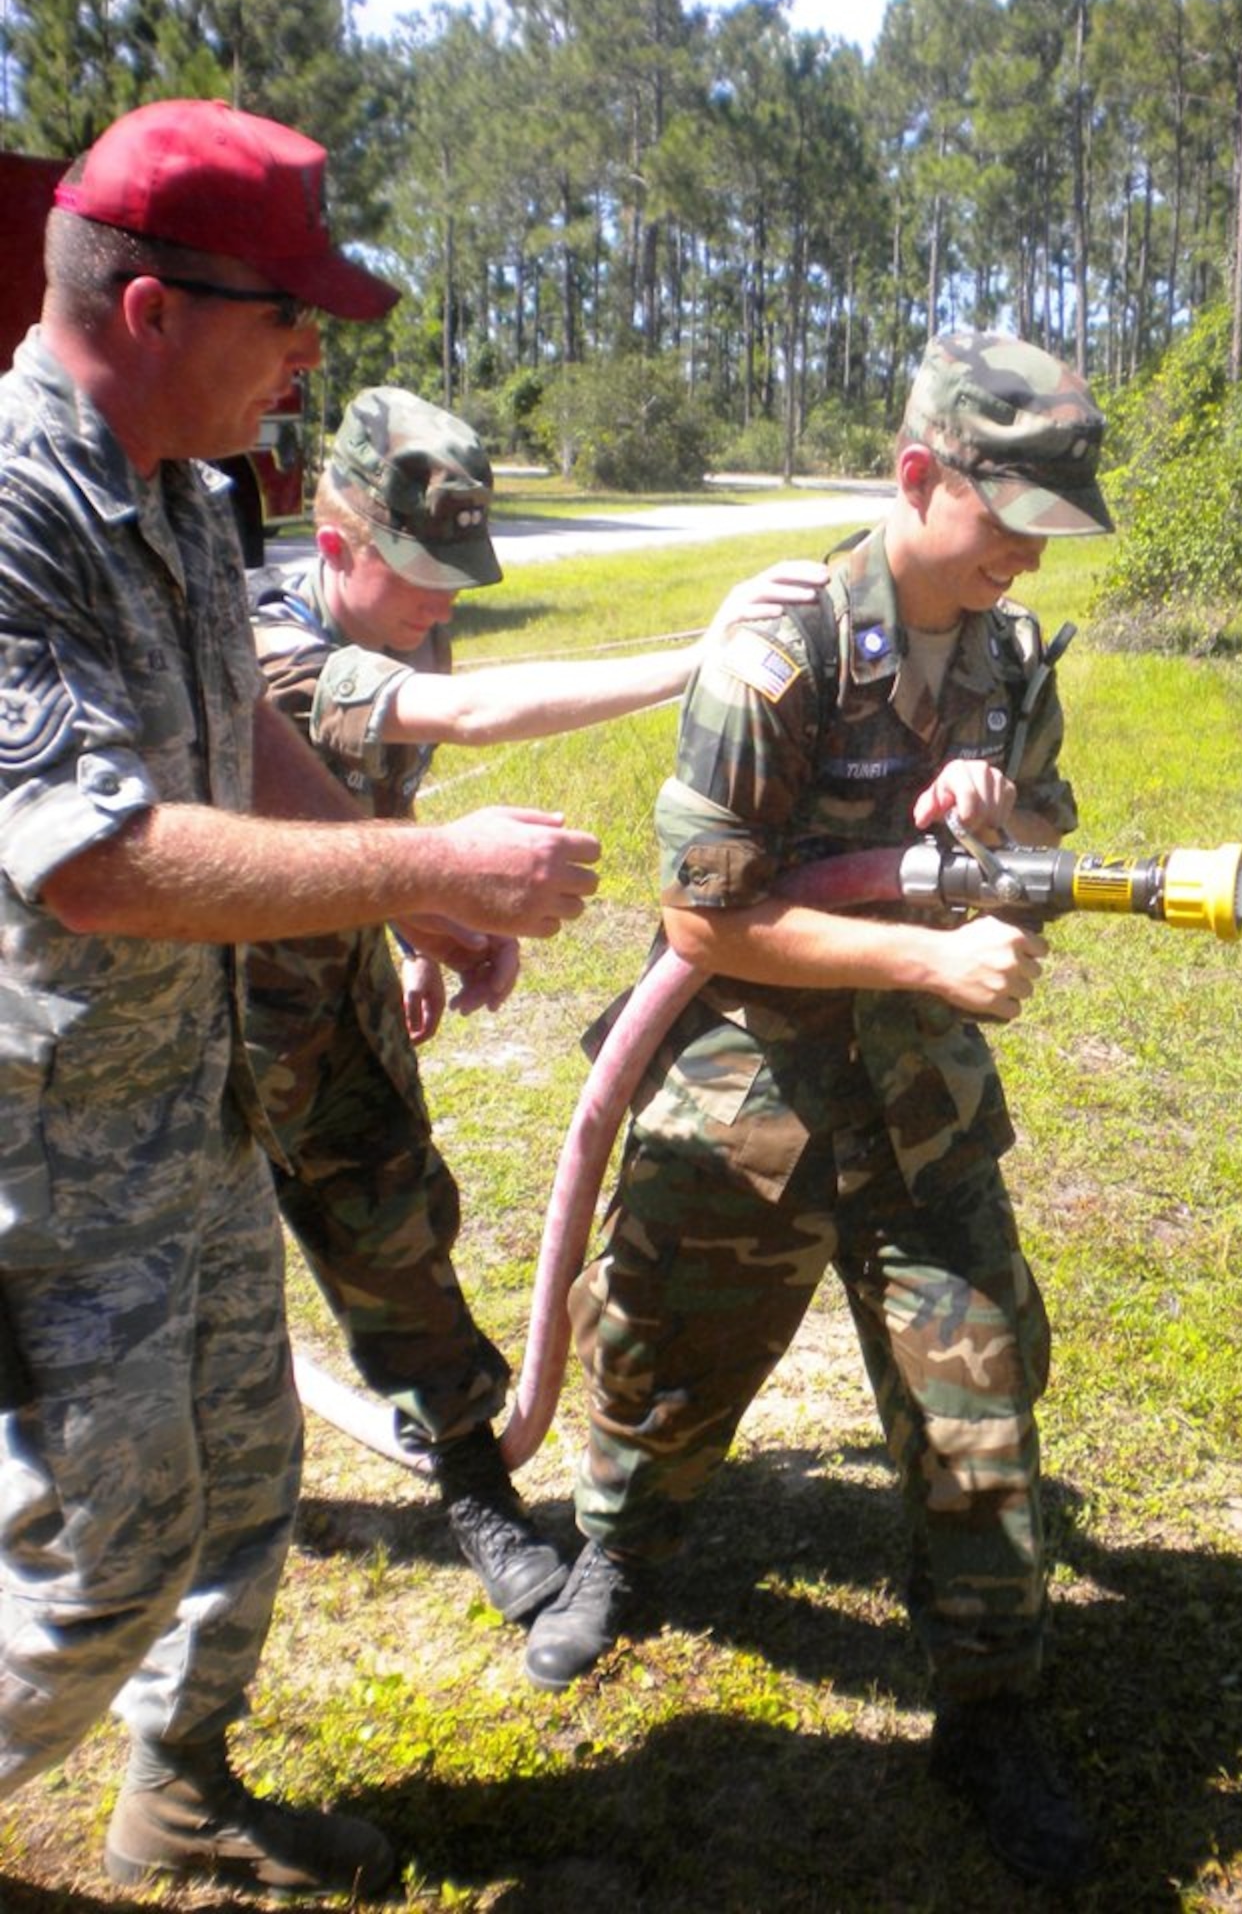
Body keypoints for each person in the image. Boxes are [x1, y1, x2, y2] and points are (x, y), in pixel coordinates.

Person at [0, 98, 599, 1898]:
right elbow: (91, 860)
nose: (313, 359)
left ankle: (179, 1792)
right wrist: (424, 868)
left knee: (244, 1491)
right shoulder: (14, 511)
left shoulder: (177, 489)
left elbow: (239, 727)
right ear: (154, 309)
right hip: (48, 1145)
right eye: (291, 317)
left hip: (188, 1106)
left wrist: (387, 909)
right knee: (100, 1557)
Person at [523, 331, 1112, 1892]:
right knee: (659, 1362)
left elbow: (1050, 827)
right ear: (919, 477)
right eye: (1009, 518)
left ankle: (990, 1716)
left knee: (974, 1412)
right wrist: (928, 947)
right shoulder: (771, 661)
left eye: (1052, 527)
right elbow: (708, 920)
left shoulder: (1009, 654)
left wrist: (1004, 815)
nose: (1025, 554)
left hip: (919, 1103)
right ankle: (618, 1562)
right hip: (747, 1092)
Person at [245, 383, 828, 1625]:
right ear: (337, 546)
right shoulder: (262, 642)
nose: (443, 604)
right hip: (190, 1020)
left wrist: (416, 928)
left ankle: (472, 1486)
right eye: (421, 574)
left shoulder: (409, 625)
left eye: (458, 574)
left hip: (322, 1000)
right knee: (197, 1279)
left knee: (395, 1227)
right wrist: (697, 658)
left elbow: (364, 803)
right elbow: (456, 717)